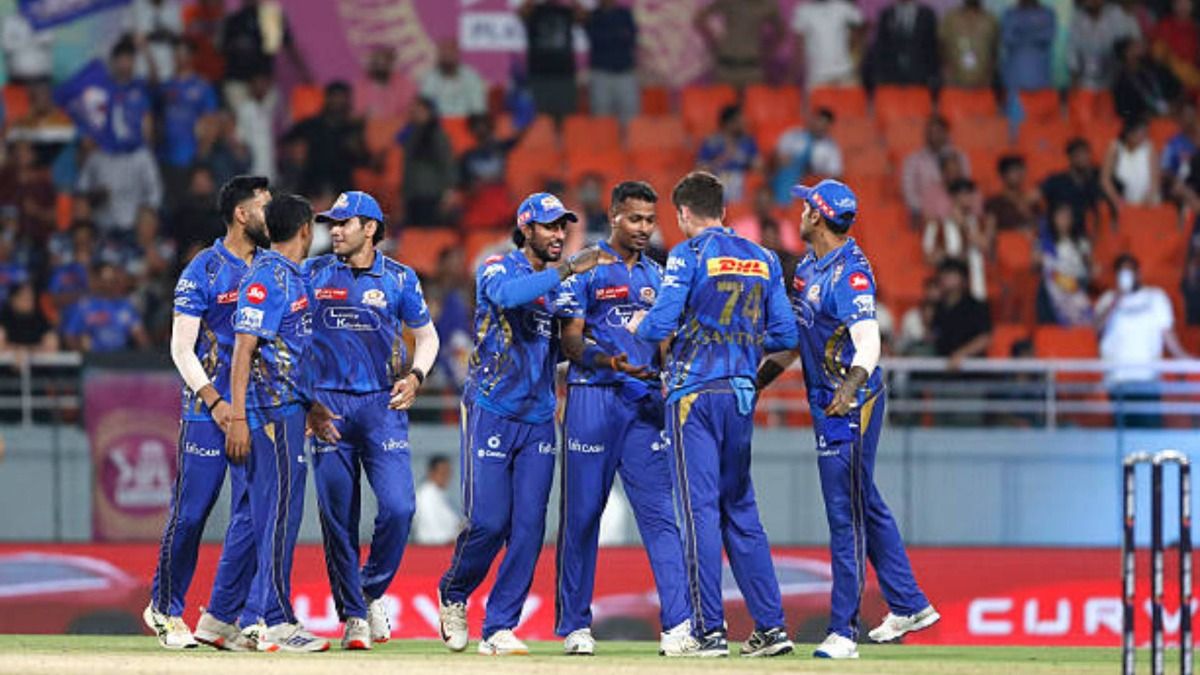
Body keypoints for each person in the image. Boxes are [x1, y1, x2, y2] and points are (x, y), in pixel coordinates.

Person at [758, 178, 937, 659]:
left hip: (851, 400)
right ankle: (908, 602)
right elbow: (797, 340)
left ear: (816, 216)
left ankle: (843, 631)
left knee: (845, 513)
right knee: (864, 499)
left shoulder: (850, 274)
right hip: (828, 397)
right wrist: (758, 382)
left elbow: (870, 342)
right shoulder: (808, 270)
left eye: (804, 207)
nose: (797, 213)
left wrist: (849, 390)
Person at [628, 171, 798, 658]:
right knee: (741, 511)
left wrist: (643, 325)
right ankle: (771, 628)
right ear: (723, 209)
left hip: (694, 396)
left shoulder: (688, 254)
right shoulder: (764, 258)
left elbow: (658, 323)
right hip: (742, 396)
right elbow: (785, 336)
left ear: (682, 214)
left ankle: (709, 630)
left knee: (699, 511)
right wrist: (740, 346)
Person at [436, 193, 615, 656]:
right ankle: (454, 593)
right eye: (550, 227)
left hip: (538, 416)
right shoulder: (499, 267)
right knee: (489, 522)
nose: (559, 235)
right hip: (491, 407)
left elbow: (572, 342)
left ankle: (499, 626)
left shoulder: (564, 287)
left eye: (563, 228)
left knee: (530, 527)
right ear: (527, 228)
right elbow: (508, 297)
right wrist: (570, 268)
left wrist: (613, 359)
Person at [554, 181, 694, 657]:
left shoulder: (661, 276)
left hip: (644, 408)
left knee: (660, 518)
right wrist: (611, 362)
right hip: (592, 399)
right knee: (582, 517)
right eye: (634, 218)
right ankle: (576, 626)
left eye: (651, 220)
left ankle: (678, 627)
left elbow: (668, 344)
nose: (644, 228)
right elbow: (570, 342)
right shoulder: (587, 269)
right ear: (613, 215)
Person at [305, 191, 440, 649]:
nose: (335, 230)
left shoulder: (400, 278)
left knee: (400, 508)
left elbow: (428, 337)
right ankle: (353, 617)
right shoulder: (314, 272)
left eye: (345, 222)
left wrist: (418, 376)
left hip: (382, 407)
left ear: (371, 228)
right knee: (337, 519)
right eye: (332, 223)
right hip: (329, 407)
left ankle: (370, 589)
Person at [142, 175, 271, 651]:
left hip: (259, 411)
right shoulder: (203, 269)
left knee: (256, 515)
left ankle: (236, 618)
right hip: (207, 412)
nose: (271, 216)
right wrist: (216, 402)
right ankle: (164, 606)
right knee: (192, 513)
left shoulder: (273, 269)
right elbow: (181, 348)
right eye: (264, 206)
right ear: (242, 214)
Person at [226, 193, 336, 652]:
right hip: (269, 414)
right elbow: (243, 351)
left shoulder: (291, 278)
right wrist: (236, 416)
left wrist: (310, 405)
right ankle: (274, 619)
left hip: (288, 409)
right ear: (307, 229)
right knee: (280, 516)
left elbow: (291, 355)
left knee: (260, 518)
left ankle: (220, 616)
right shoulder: (268, 278)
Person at [74, 39, 163, 235]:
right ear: (114, 62)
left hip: (136, 153)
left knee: (150, 197)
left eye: (129, 59)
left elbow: (156, 84)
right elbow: (90, 122)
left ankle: (140, 238)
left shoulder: (140, 87)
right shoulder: (102, 90)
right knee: (99, 198)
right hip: (107, 154)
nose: (125, 64)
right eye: (121, 59)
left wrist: (146, 50)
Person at [1097, 254, 1192, 428]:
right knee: (1122, 441)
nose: (1126, 276)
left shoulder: (1156, 297)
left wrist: (1185, 358)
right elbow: (1097, 329)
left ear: (1138, 273)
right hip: (1117, 381)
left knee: (1149, 438)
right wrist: (1116, 300)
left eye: (1130, 271)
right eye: (1121, 273)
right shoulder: (1107, 299)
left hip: (1148, 380)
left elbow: (1168, 336)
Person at [282, 81, 368, 198]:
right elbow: (287, 141)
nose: (338, 102)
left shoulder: (353, 128)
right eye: (335, 97)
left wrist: (356, 149)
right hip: (312, 180)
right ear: (327, 99)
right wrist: (296, 155)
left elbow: (364, 160)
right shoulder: (310, 124)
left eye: (342, 98)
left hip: (342, 184)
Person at [220, 0, 311, 108]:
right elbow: (223, 53)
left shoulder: (270, 19)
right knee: (244, 119)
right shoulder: (233, 21)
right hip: (238, 82)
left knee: (264, 121)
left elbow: (287, 47)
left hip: (265, 82)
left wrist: (305, 73)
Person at [158, 39, 219, 185]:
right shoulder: (165, 86)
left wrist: (202, 156)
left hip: (191, 158)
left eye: (184, 53)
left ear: (192, 57)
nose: (179, 57)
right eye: (176, 53)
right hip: (166, 158)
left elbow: (211, 122)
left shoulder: (202, 86)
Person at [61, 262, 151, 352]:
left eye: (113, 279)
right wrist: (82, 351)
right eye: (107, 278)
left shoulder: (124, 306)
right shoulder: (83, 306)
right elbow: (70, 336)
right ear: (97, 280)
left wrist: (147, 356)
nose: (111, 282)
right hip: (93, 360)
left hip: (121, 359)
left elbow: (140, 335)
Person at [923, 179, 988, 301]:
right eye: (964, 194)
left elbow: (985, 246)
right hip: (948, 284)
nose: (968, 198)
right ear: (953, 197)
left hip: (974, 279)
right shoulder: (938, 225)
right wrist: (949, 258)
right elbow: (929, 257)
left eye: (970, 194)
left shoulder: (978, 223)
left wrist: (964, 227)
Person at [694, 0, 783, 88]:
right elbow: (699, 19)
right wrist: (713, 43)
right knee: (720, 100)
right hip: (726, 68)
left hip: (751, 69)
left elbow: (781, 32)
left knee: (753, 101)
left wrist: (768, 52)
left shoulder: (767, 4)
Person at [399, 98, 456, 227]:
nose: (415, 113)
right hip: (413, 192)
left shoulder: (438, 135)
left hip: (432, 192)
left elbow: (447, 162)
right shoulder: (410, 134)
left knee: (430, 230)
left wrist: (449, 190)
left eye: (420, 110)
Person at [901, 116, 970, 221]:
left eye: (938, 131)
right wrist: (928, 209)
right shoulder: (913, 160)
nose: (934, 136)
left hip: (957, 211)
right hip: (923, 214)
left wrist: (952, 208)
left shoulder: (959, 157)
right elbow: (909, 192)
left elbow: (965, 184)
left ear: (946, 133)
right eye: (930, 132)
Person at [1037, 202, 1095, 326]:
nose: (1063, 221)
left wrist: (1093, 270)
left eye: (1067, 217)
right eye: (1060, 217)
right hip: (1055, 285)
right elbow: (1036, 263)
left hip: (1077, 284)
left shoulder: (1080, 242)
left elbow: (1090, 265)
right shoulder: (1045, 243)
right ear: (1053, 219)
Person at [520, 0, 579, 119]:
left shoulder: (565, 11)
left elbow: (583, 17)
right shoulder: (534, 11)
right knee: (539, 121)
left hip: (564, 74)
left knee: (567, 119)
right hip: (539, 74)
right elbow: (522, 13)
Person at [584, 0, 640, 125]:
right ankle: (603, 144)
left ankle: (628, 145)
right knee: (601, 118)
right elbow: (596, 40)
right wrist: (617, 35)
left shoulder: (625, 14)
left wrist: (609, 36)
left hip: (625, 73)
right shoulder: (593, 16)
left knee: (630, 118)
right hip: (601, 74)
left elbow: (631, 39)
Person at [771, 107, 843, 204]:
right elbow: (776, 158)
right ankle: (782, 205)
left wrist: (815, 177)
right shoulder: (793, 135)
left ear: (829, 127)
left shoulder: (831, 148)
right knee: (787, 172)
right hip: (788, 176)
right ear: (812, 120)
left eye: (824, 124)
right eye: (819, 122)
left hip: (813, 183)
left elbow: (836, 176)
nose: (820, 126)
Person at [931, 257, 992, 368]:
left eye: (950, 274)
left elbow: (984, 338)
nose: (944, 278)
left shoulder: (976, 306)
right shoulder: (938, 309)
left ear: (963, 279)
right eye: (943, 274)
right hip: (944, 372)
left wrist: (961, 354)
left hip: (972, 373)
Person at [1068, 0, 1141, 91]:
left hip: (1115, 82)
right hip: (1086, 83)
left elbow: (1135, 37)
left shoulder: (1116, 14)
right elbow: (1072, 49)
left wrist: (1131, 56)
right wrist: (1074, 77)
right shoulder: (1078, 19)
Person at [789, 0, 865, 88]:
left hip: (845, 73)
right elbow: (799, 47)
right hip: (817, 77)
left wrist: (857, 57)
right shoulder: (803, 10)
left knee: (853, 100)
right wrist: (792, 75)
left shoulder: (843, 6)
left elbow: (860, 29)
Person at [1041, 138, 1108, 238]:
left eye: (1085, 154)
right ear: (1070, 158)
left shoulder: (1094, 182)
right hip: (1056, 235)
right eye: (1078, 155)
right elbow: (1032, 198)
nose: (1083, 158)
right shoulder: (1057, 181)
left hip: (1082, 237)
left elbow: (1100, 210)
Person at [868, 0, 940, 89]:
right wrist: (879, 75)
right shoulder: (886, 14)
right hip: (890, 80)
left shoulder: (927, 14)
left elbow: (932, 48)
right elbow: (880, 48)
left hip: (921, 80)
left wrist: (933, 76)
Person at [697, 105, 761, 203]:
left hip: (741, 180)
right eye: (739, 122)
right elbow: (701, 169)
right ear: (729, 123)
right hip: (718, 180)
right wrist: (723, 159)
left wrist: (747, 161)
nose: (744, 125)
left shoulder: (748, 141)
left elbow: (759, 166)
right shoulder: (712, 142)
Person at [939, 0, 999, 89]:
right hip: (954, 86)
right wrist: (946, 73)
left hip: (983, 88)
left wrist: (989, 76)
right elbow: (940, 46)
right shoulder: (950, 19)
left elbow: (995, 50)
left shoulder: (991, 20)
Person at [419, 39, 487, 118]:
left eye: (450, 52)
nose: (447, 56)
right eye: (443, 53)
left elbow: (478, 109)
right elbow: (424, 105)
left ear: (457, 54)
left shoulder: (471, 77)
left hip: (465, 123)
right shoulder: (430, 78)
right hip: (436, 125)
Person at [999, 0, 1057, 92]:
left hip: (1040, 83)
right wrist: (1034, 30)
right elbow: (1008, 39)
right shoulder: (1009, 14)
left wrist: (1021, 32)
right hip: (1014, 85)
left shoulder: (1048, 14)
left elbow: (1046, 37)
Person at [1102, 117, 1160, 207]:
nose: (1144, 136)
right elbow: (1105, 180)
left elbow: (1155, 180)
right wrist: (1116, 200)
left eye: (1145, 133)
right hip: (1122, 201)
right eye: (1141, 133)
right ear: (1129, 133)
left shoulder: (1149, 148)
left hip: (1147, 202)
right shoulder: (1115, 148)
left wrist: (1149, 197)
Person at [354, 45, 415, 120]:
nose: (381, 66)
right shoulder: (360, 85)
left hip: (398, 128)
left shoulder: (405, 84)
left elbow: (409, 111)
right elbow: (357, 113)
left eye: (384, 61)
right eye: (377, 62)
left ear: (391, 63)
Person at [984, 155, 1041, 236]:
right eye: (1013, 170)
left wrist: (1026, 211)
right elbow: (989, 232)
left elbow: (1040, 227)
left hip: (1030, 245)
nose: (1018, 174)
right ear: (1002, 175)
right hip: (1006, 245)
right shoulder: (994, 203)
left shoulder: (1032, 201)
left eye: (1020, 170)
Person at [1150, 0, 1200, 90]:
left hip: (1193, 75)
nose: (1183, 7)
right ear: (1173, 5)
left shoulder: (1195, 27)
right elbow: (1158, 56)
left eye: (1187, 3)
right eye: (1179, 3)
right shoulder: (1164, 26)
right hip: (1172, 79)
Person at [413, 455, 461, 545]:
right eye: (443, 473)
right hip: (433, 550)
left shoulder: (441, 495)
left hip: (444, 547)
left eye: (448, 473)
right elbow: (433, 533)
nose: (446, 477)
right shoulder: (425, 496)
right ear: (431, 473)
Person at [0, 282, 57, 354]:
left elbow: (51, 344)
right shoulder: (4, 318)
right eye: (25, 297)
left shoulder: (39, 318)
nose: (29, 300)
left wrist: (26, 351)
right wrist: (17, 351)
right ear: (13, 300)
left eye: (31, 297)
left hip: (38, 363)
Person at [1, 12, 52, 85]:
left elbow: (47, 40)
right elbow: (7, 45)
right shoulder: (10, 21)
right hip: (17, 76)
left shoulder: (45, 21)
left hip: (41, 76)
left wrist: (19, 40)